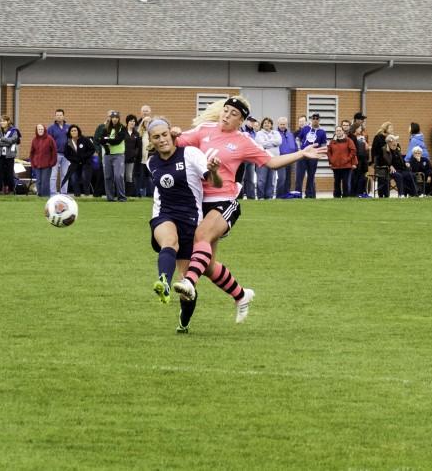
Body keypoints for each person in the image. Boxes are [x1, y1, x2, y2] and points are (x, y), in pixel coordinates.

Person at [170, 97, 326, 325]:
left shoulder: (243, 141)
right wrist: (170, 133)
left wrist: (301, 153)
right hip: (198, 203)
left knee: (201, 237)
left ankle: (189, 283)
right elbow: (178, 143)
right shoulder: (204, 130)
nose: (226, 115)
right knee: (208, 266)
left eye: (233, 113)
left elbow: (271, 163)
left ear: (241, 120)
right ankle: (241, 295)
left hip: (225, 201)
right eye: (225, 110)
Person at [145, 117, 222, 334]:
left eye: (164, 135)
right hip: (163, 215)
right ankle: (163, 282)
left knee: (186, 287)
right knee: (169, 241)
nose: (161, 140)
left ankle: (184, 322)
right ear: (151, 141)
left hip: (190, 220)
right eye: (156, 137)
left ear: (172, 134)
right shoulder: (151, 162)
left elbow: (214, 183)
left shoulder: (190, 154)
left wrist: (213, 171)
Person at [294, 113, 326, 198]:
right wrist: (299, 149)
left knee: (311, 176)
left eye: (317, 118)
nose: (315, 120)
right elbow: (298, 139)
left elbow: (323, 145)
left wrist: (320, 154)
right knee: (299, 176)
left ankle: (309, 195)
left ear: (319, 120)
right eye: (313, 118)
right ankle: (298, 194)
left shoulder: (322, 132)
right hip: (303, 155)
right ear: (311, 119)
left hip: (313, 156)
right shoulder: (305, 128)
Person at [99, 110, 127, 202]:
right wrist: (109, 140)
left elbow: (118, 140)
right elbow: (101, 140)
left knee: (118, 176)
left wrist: (107, 140)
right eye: (113, 117)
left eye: (116, 118)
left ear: (119, 119)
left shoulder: (122, 128)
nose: (114, 119)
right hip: (107, 155)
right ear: (110, 118)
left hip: (118, 155)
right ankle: (110, 197)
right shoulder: (106, 128)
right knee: (108, 177)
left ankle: (121, 197)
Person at [253, 117, 281, 200]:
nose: (267, 124)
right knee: (261, 179)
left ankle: (269, 196)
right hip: (262, 160)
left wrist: (267, 143)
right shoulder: (259, 134)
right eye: (265, 123)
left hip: (273, 159)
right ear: (262, 125)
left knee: (271, 179)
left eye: (268, 123)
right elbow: (261, 144)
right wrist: (273, 143)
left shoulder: (275, 133)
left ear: (271, 125)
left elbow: (279, 142)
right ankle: (261, 196)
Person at [63, 124, 94, 196]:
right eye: (72, 131)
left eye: (75, 130)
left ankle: (86, 194)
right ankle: (77, 194)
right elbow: (66, 154)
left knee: (85, 177)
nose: (74, 132)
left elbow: (92, 149)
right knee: (74, 178)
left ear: (78, 131)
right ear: (70, 133)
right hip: (75, 163)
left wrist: (84, 156)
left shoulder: (84, 139)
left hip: (85, 163)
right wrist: (74, 159)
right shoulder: (68, 142)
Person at [326, 125, 356, 198]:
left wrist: (347, 159)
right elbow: (328, 152)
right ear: (335, 132)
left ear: (342, 131)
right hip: (336, 166)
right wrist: (331, 160)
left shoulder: (348, 140)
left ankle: (346, 196)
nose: (338, 132)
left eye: (340, 130)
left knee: (345, 182)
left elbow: (353, 151)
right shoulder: (332, 142)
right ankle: (337, 196)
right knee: (336, 182)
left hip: (346, 166)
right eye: (337, 131)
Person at [0, 116, 20, 195]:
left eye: (4, 121)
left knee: (9, 173)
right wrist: (8, 142)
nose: (2, 123)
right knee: (0, 173)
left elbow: (14, 139)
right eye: (1, 121)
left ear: (8, 121)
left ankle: (11, 190)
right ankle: (0, 190)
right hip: (0, 155)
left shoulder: (13, 130)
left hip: (10, 155)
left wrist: (3, 139)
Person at [29, 123, 57, 197]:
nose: (40, 131)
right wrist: (33, 162)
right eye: (39, 129)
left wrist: (52, 162)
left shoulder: (50, 139)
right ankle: (40, 195)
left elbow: (54, 152)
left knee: (45, 181)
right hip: (37, 165)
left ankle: (46, 196)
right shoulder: (34, 140)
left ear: (44, 130)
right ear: (36, 130)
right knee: (38, 181)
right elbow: (32, 153)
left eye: (41, 129)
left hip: (47, 165)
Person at [47, 109, 70, 196]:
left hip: (66, 155)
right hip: (55, 154)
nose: (59, 116)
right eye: (57, 115)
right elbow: (48, 142)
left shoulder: (69, 127)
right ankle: (52, 193)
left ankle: (64, 193)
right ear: (55, 116)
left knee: (65, 174)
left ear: (63, 116)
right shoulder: (51, 128)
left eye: (60, 115)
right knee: (53, 175)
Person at [275, 116, 297, 197]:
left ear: (287, 124)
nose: (283, 126)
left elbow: (294, 145)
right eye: (281, 124)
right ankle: (279, 196)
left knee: (288, 179)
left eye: (284, 124)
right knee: (282, 178)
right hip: (281, 159)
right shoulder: (275, 133)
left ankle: (286, 195)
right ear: (278, 124)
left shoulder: (290, 134)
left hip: (291, 159)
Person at [135, 104, 153, 197]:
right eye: (144, 111)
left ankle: (152, 193)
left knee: (151, 175)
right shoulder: (137, 125)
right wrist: (142, 122)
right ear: (141, 112)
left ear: (150, 112)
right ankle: (141, 194)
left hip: (151, 156)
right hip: (141, 157)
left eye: (147, 110)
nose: (145, 112)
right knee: (141, 176)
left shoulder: (155, 125)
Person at [349, 124, 370, 197]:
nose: (360, 130)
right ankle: (354, 193)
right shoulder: (351, 137)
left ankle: (361, 192)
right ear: (355, 129)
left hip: (363, 159)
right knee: (355, 177)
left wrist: (364, 141)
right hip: (356, 159)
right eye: (359, 128)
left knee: (362, 176)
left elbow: (367, 148)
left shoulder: (362, 137)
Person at [123, 114, 142, 197]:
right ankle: (119, 193)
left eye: (134, 121)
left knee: (129, 176)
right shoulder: (122, 132)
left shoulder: (136, 134)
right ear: (127, 122)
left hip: (131, 159)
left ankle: (128, 194)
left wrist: (135, 154)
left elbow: (138, 146)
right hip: (121, 158)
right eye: (131, 121)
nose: (132, 122)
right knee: (120, 176)